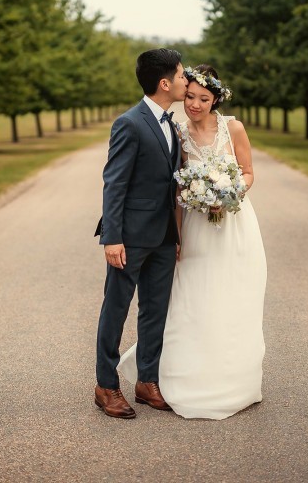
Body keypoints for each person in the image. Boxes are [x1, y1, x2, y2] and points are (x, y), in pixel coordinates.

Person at [118, 64, 267, 420]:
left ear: (216, 99)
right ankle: (182, 376)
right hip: (197, 228)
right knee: (193, 297)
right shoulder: (178, 134)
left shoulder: (233, 128)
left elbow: (248, 172)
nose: (195, 104)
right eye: (190, 97)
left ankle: (234, 378)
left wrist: (229, 192)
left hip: (234, 224)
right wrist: (179, 238)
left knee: (233, 296)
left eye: (203, 98)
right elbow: (177, 190)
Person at [93, 48, 189, 419]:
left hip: (164, 236)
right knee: (115, 309)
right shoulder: (129, 123)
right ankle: (106, 385)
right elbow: (113, 183)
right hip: (129, 237)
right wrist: (112, 237)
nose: (186, 80)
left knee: (155, 311)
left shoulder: (171, 122)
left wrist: (176, 234)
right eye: (181, 75)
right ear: (164, 83)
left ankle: (147, 381)